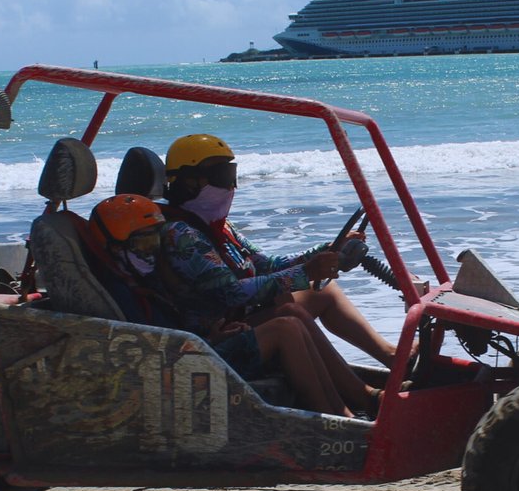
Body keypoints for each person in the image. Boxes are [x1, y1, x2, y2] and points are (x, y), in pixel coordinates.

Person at [89, 195, 376, 418]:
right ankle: (337, 418)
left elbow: (263, 264)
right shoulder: (127, 284)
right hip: (182, 360)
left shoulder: (155, 265)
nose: (151, 249)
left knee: (291, 312)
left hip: (200, 341)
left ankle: (359, 401)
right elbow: (154, 339)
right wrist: (211, 338)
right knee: (285, 327)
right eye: (142, 243)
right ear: (116, 246)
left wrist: (321, 255)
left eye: (155, 239)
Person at [158, 134, 398, 366]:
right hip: (214, 335)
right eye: (222, 176)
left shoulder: (220, 228)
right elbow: (231, 292)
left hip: (240, 317)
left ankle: (391, 356)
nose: (230, 186)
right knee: (290, 312)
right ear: (188, 181)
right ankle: (362, 394)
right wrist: (305, 273)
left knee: (324, 292)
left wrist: (326, 250)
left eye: (232, 175)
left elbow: (266, 265)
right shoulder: (181, 234)